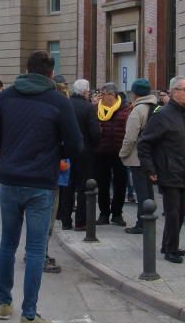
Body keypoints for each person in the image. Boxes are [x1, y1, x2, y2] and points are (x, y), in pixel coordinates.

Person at [0, 50, 82, 323]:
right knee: (36, 249)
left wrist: (9, 154)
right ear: (51, 73)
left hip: (11, 179)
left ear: (26, 68)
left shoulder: (7, 97)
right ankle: (29, 315)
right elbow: (75, 143)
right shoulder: (57, 101)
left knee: (8, 243)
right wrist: (54, 155)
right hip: (41, 182)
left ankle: (4, 303)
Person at [138, 76, 185, 262]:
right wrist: (151, 168)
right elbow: (144, 143)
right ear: (175, 92)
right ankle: (171, 249)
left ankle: (168, 244)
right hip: (169, 170)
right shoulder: (162, 115)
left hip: (184, 170)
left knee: (181, 211)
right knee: (173, 212)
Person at [118, 79, 157, 235]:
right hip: (151, 156)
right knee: (149, 191)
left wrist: (123, 153)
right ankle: (149, 219)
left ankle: (142, 223)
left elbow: (131, 137)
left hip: (137, 156)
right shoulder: (156, 107)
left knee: (141, 191)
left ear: (134, 93)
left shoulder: (138, 110)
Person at [93, 82, 131, 226]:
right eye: (101, 94)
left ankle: (117, 213)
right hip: (101, 152)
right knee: (102, 184)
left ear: (112, 95)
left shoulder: (125, 109)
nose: (101, 97)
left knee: (120, 183)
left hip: (120, 153)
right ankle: (103, 213)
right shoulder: (96, 109)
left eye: (103, 94)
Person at [67, 79, 100, 231]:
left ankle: (65, 219)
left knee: (68, 185)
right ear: (86, 91)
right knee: (83, 187)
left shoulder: (66, 104)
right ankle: (80, 221)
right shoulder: (89, 108)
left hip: (67, 150)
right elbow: (95, 132)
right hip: (85, 152)